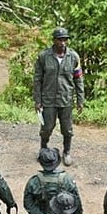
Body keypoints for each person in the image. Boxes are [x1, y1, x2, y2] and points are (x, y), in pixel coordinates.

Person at [33, 27, 85, 166]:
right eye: (60, 40)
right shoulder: (44, 56)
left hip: (66, 99)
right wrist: (37, 100)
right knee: (46, 128)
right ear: (54, 40)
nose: (62, 43)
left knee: (67, 129)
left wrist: (80, 99)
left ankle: (66, 152)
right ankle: (43, 150)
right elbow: (37, 79)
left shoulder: (73, 57)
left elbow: (78, 79)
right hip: (48, 99)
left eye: (65, 40)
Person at [23, 147, 83, 214]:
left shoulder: (33, 182)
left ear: (41, 163)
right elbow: (76, 203)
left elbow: (28, 203)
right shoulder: (68, 180)